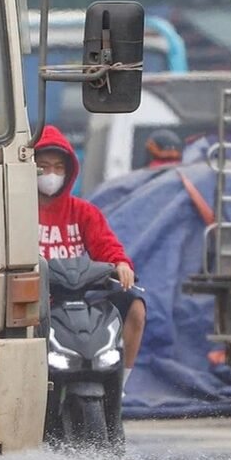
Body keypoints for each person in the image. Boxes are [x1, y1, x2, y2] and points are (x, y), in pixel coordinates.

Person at [36, 125, 146, 391]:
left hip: (80, 302)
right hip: (36, 303)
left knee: (136, 308)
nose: (51, 175)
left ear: (69, 171)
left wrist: (121, 264)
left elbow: (106, 245)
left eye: (58, 168)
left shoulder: (83, 212)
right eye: (44, 167)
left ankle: (119, 387)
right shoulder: (17, 209)